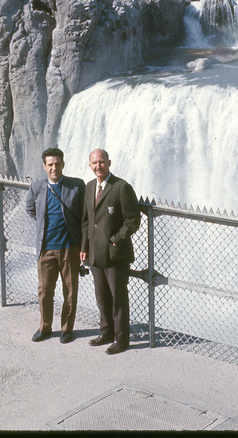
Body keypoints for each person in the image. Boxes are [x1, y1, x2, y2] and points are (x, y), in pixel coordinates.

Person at [80, 149, 141, 355]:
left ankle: (121, 339)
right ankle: (106, 332)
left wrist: (116, 240)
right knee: (101, 296)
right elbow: (87, 222)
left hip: (116, 255)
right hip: (95, 254)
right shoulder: (89, 188)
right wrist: (84, 248)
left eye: (102, 162)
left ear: (109, 163)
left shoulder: (121, 187)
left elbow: (133, 220)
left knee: (118, 298)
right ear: (90, 166)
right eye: (94, 163)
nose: (98, 167)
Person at [25, 147, 85, 344]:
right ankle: (45, 327)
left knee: (70, 291)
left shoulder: (76, 186)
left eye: (57, 164)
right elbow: (31, 210)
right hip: (46, 250)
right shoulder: (36, 187)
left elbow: (84, 215)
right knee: (44, 291)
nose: (54, 168)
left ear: (63, 164)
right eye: (50, 164)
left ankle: (66, 329)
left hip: (69, 248)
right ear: (44, 166)